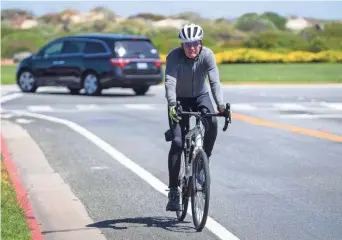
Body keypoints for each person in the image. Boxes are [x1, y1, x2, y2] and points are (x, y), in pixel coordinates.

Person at [164, 23, 226, 211]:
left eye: (195, 43)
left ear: (201, 42)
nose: (192, 47)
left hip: (200, 96)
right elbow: (170, 81)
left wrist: (221, 105)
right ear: (182, 45)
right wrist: (172, 104)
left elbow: (214, 82)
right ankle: (174, 191)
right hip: (179, 101)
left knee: (212, 123)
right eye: (187, 44)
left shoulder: (207, 55)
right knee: (177, 142)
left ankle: (202, 160)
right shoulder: (173, 57)